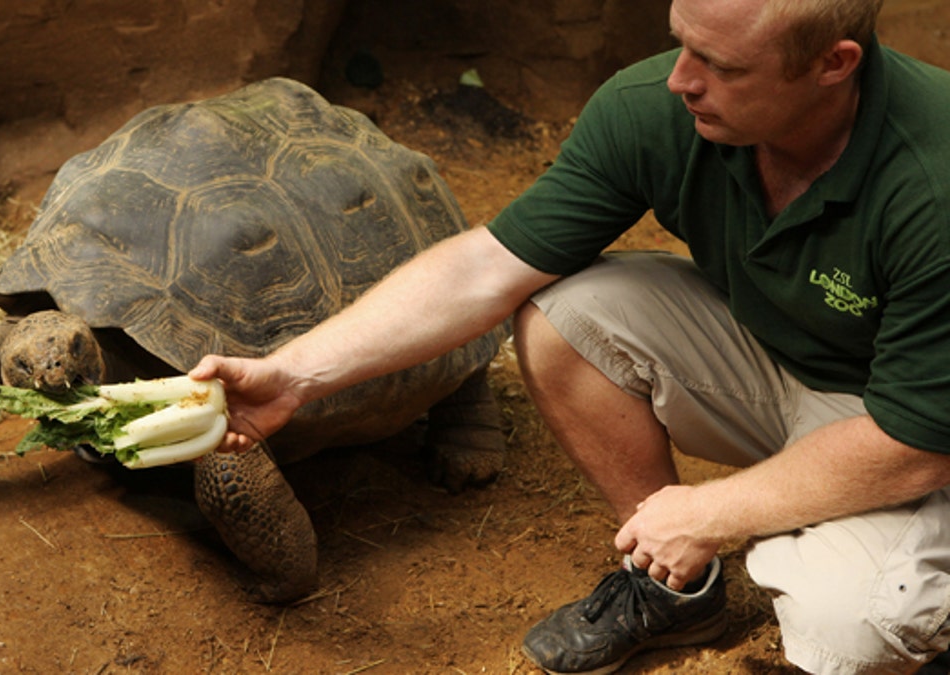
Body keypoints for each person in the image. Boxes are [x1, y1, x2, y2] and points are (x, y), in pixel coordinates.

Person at [190, 0, 950, 672]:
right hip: (787, 355)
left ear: (833, 64)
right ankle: (673, 591)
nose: (681, 78)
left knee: (847, 630)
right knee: (565, 315)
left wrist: (714, 513)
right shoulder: (660, 107)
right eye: (680, 42)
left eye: (720, 64)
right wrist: (293, 372)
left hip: (905, 424)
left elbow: (912, 443)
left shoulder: (933, 183)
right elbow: (486, 269)